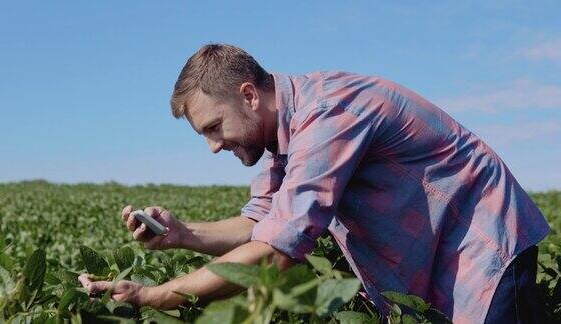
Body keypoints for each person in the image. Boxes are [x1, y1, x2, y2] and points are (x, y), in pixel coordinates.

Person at [78, 44, 550, 323]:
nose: (214, 147)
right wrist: (184, 235)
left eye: (214, 127)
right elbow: (261, 221)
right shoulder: (276, 136)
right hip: (439, 258)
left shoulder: (327, 115)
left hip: (485, 250)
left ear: (248, 95)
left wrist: (154, 295)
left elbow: (278, 252)